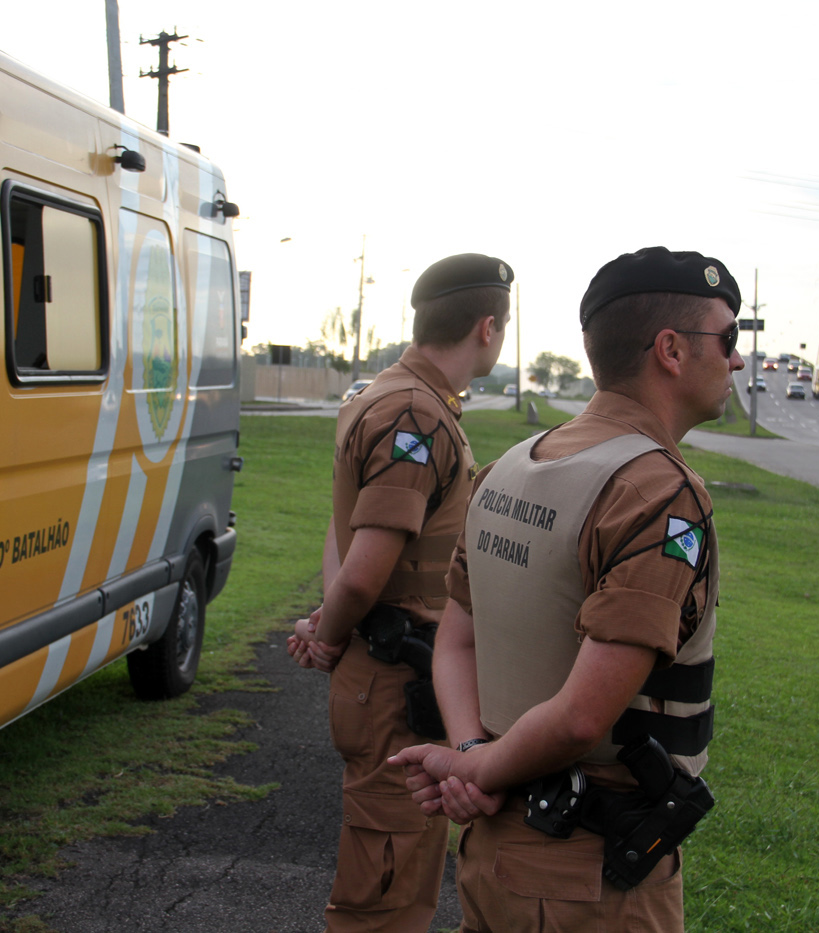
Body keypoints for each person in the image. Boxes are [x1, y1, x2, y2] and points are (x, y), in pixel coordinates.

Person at [390, 246, 743, 931]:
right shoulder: (658, 493)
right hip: (587, 881)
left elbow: (455, 642)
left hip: (495, 853)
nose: (736, 360)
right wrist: (478, 770)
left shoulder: (508, 469)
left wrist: (472, 757)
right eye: (727, 339)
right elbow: (584, 718)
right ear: (671, 350)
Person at [287, 253, 515, 932]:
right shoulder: (416, 415)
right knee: (385, 894)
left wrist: (329, 625)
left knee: (399, 873)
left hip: (386, 671)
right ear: (487, 327)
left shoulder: (381, 394)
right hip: (392, 683)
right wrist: (330, 634)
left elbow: (343, 531)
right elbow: (364, 570)